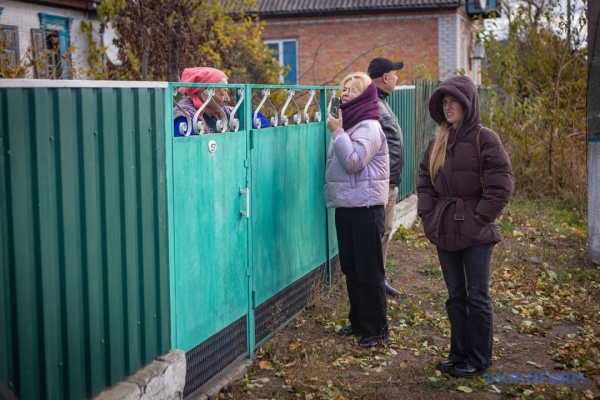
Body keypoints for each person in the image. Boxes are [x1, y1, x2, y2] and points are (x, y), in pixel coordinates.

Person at [417, 75, 513, 378]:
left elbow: (501, 184)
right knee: (455, 294)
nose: (448, 107)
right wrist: (428, 215)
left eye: (453, 101)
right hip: (445, 227)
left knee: (477, 296)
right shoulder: (438, 141)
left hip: (476, 233)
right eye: (444, 102)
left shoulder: (485, 138)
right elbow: (424, 182)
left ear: (467, 103)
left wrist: (480, 218)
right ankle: (457, 353)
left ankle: (478, 359)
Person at [325, 72, 390, 349]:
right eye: (344, 89)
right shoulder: (350, 124)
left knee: (369, 271)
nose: (346, 94)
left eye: (352, 90)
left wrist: (337, 132)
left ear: (364, 95)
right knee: (351, 269)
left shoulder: (369, 127)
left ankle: (376, 330)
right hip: (347, 208)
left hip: (366, 209)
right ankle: (358, 321)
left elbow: (353, 162)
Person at [368, 57, 405, 297]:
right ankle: (373, 283)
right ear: (385, 77)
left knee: (385, 230)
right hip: (381, 183)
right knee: (378, 232)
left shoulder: (381, 102)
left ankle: (379, 280)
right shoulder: (372, 103)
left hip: (389, 182)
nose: (397, 77)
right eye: (395, 73)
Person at [174, 67, 233, 136]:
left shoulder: (224, 112)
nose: (228, 99)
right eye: (223, 93)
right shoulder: (184, 118)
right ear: (205, 96)